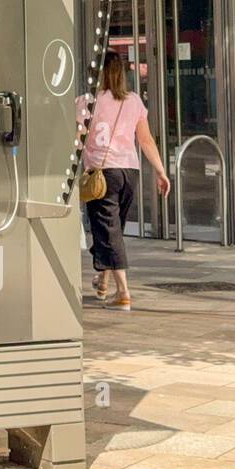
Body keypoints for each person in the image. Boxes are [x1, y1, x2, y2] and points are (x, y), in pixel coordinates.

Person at [77, 50, 170, 313]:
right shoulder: (134, 101)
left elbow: (77, 136)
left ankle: (124, 293)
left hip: (102, 174)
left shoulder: (87, 102)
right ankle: (103, 281)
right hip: (130, 172)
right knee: (112, 229)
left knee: (109, 231)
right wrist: (161, 171)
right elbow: (146, 140)